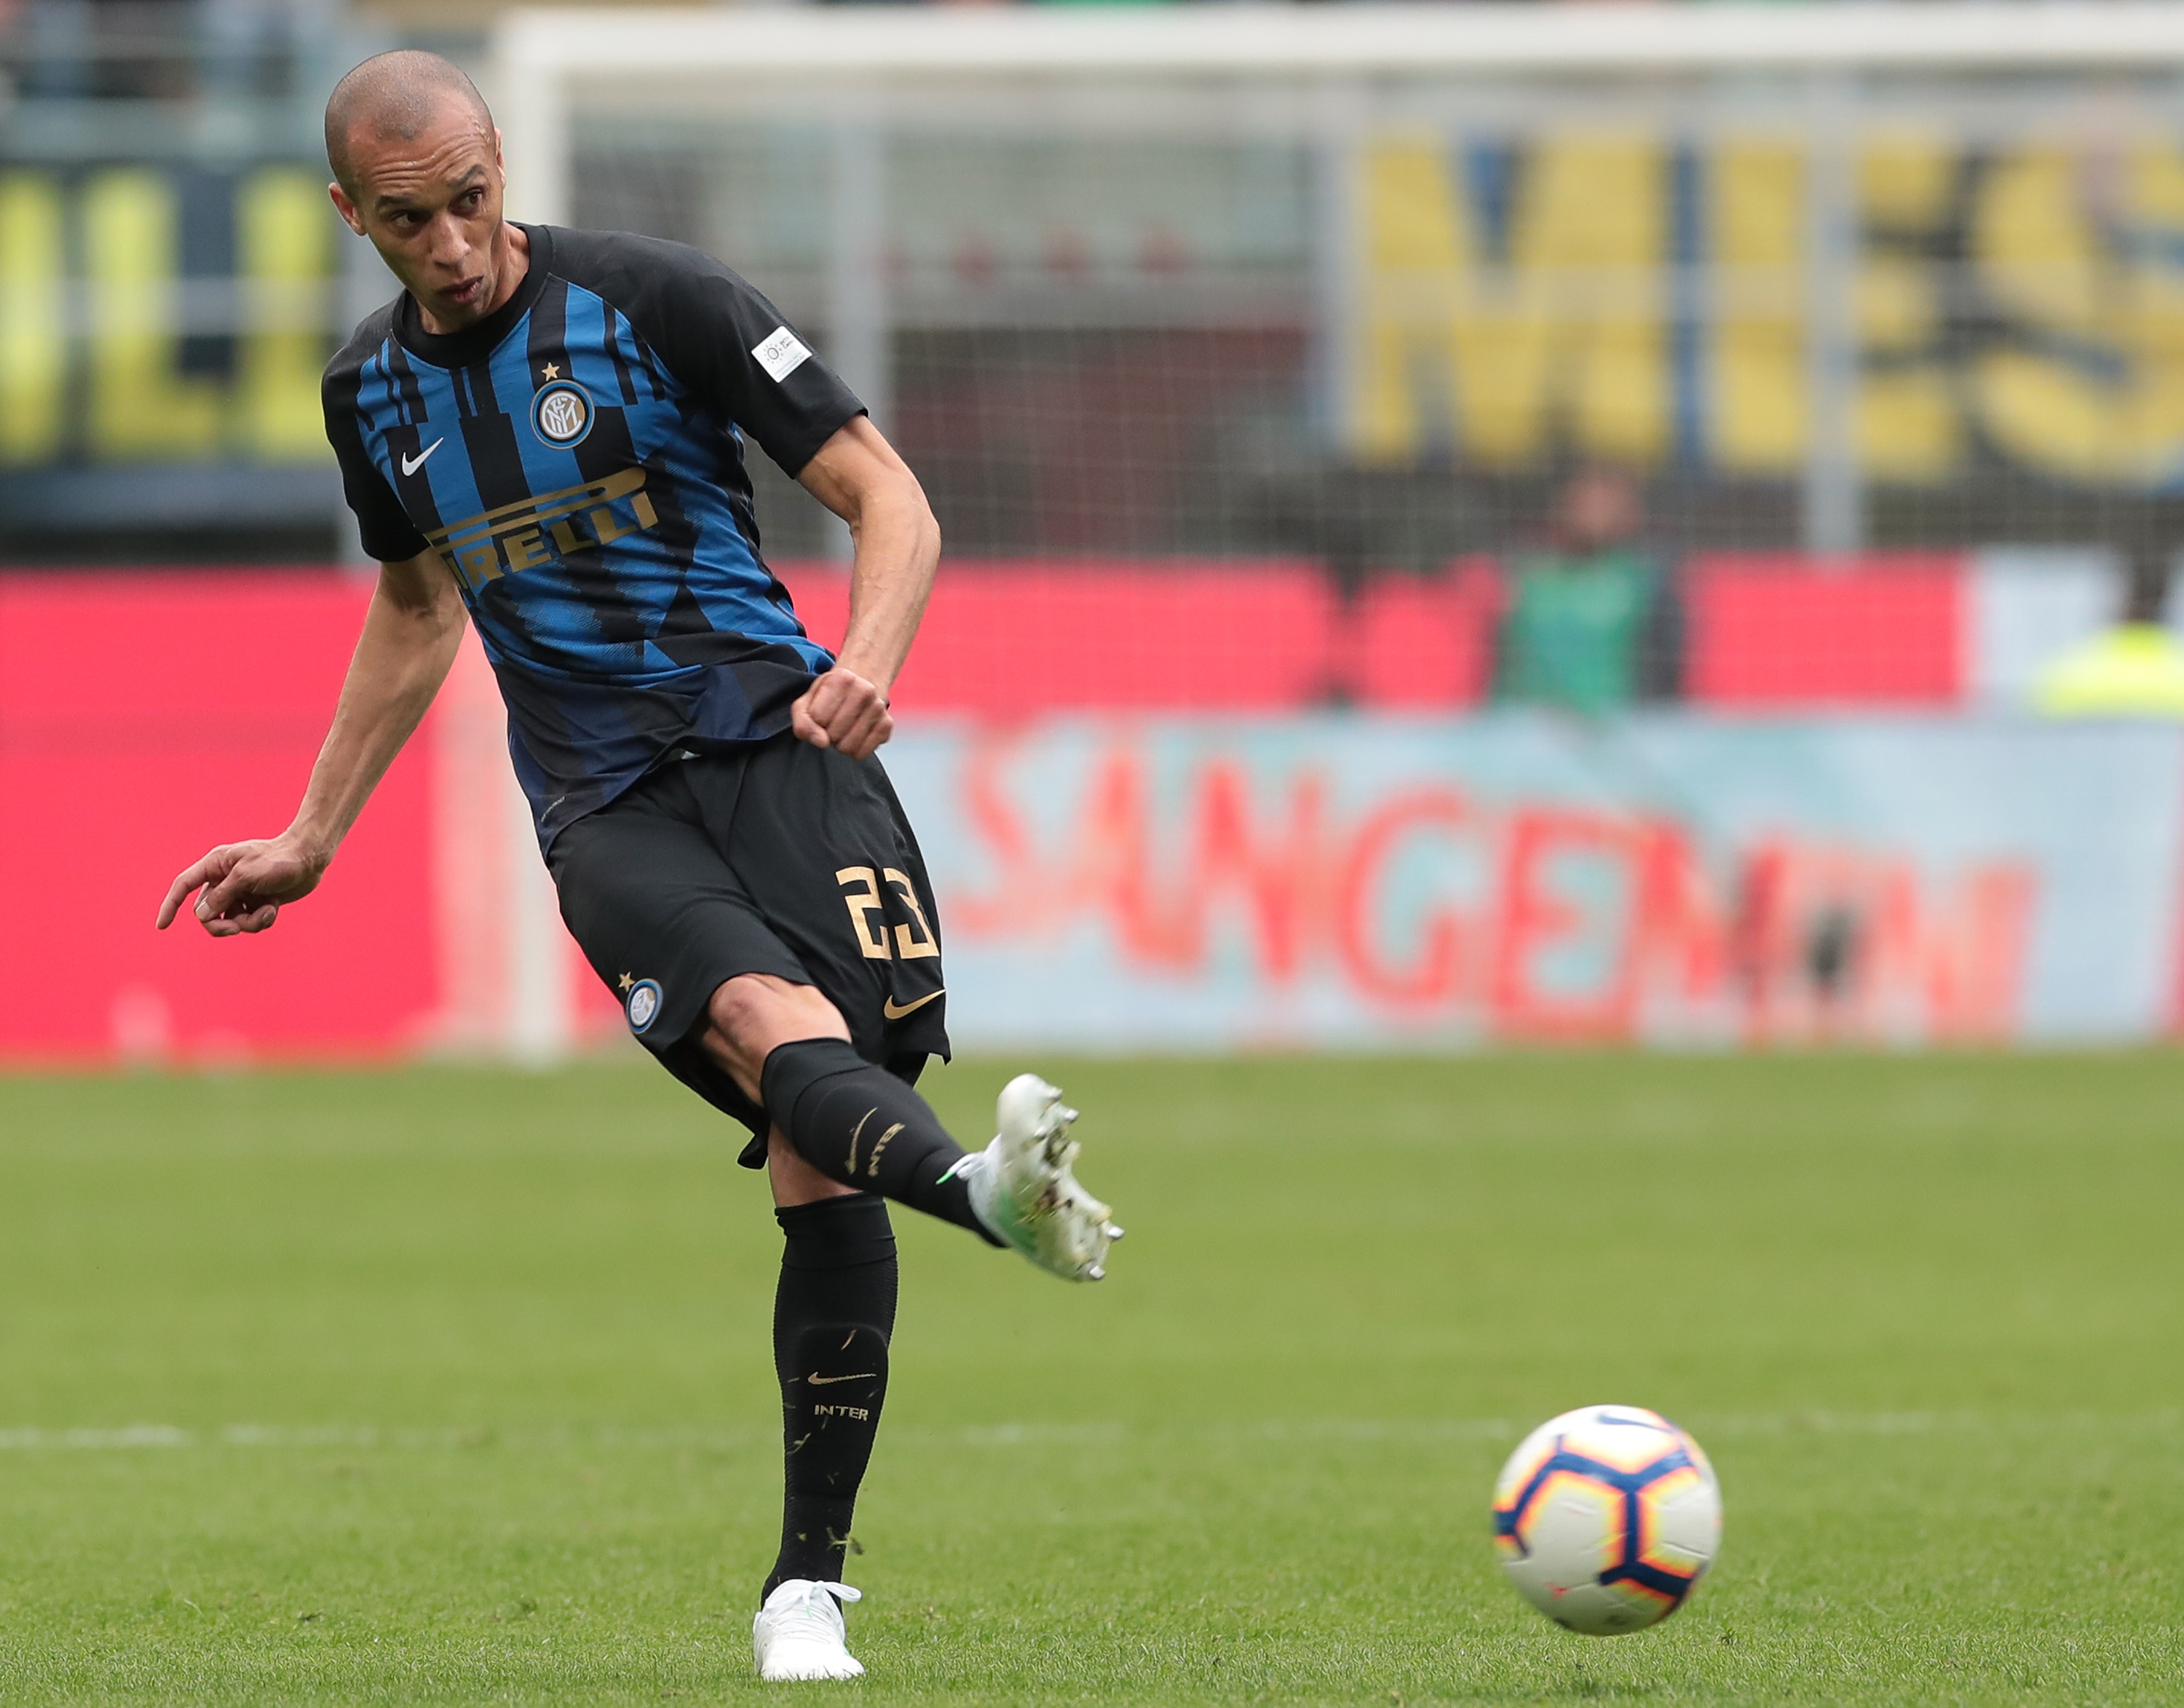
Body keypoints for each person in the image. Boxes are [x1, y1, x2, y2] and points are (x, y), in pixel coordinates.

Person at [154, 50, 1121, 1685]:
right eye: (409, 220)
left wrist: (871, 659)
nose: (452, 242)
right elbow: (415, 605)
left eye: (469, 199)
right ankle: (982, 1196)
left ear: (498, 166)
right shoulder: (368, 394)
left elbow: (889, 497)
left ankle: (807, 1582)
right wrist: (315, 832)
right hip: (603, 806)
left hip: (788, 752)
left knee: (820, 1155)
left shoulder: (659, 300)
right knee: (756, 1027)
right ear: (352, 216)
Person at [1493, 464, 1681, 715]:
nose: (1594, 513)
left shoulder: (1647, 580)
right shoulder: (1520, 571)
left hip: (1612, 724)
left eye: (1607, 504)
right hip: (1519, 725)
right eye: (1586, 501)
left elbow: (1664, 669)